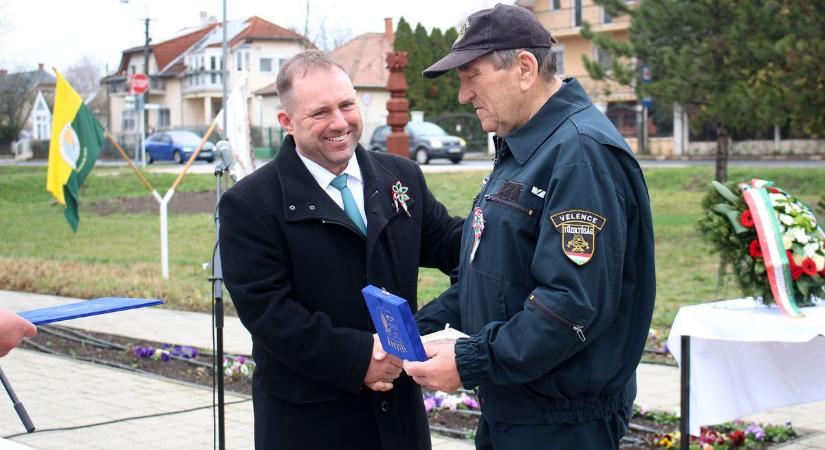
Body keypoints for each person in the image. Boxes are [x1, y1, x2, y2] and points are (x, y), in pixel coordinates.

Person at [403, 4, 656, 449]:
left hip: (559, 424)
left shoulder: (580, 154)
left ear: (524, 68)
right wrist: (414, 333)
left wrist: (470, 361)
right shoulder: (526, 146)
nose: (463, 95)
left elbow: (571, 304)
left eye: (472, 76)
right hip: (516, 408)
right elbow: (493, 276)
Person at [219, 50, 463, 450]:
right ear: (287, 122)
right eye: (320, 112)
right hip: (310, 423)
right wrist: (360, 358)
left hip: (398, 420)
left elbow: (457, 247)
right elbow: (269, 313)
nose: (339, 122)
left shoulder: (401, 178)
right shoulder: (250, 204)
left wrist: (508, 230)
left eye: (347, 105)